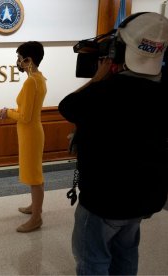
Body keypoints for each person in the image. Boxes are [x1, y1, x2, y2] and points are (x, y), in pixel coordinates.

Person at [58, 12, 168, 275]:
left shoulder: (103, 93)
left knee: (93, 260)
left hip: (103, 201)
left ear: (119, 52)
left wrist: (98, 77)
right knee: (126, 252)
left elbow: (67, 106)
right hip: (144, 199)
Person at [0, 41, 47, 233]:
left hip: (30, 134)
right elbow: (27, 112)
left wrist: (7, 112)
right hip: (31, 132)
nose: (17, 62)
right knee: (35, 174)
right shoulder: (39, 78)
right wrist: (10, 111)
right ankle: (35, 207)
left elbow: (25, 117)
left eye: (19, 58)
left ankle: (36, 218)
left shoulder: (31, 82)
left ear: (28, 60)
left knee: (34, 176)